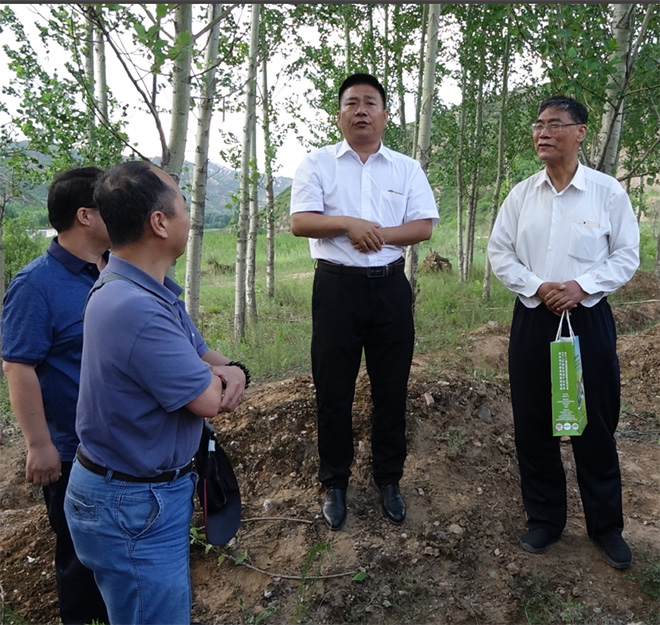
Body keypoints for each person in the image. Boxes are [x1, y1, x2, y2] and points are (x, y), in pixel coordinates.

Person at [63, 160, 248, 625]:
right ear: (159, 222)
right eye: (183, 206)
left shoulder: (148, 288)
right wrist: (227, 378)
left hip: (137, 496)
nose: (190, 216)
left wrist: (232, 370)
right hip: (130, 507)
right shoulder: (135, 307)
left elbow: (205, 356)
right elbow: (210, 399)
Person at [487, 95, 640, 569]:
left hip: (588, 320)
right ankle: (545, 520)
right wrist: (539, 286)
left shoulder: (606, 192)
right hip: (534, 318)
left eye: (555, 124)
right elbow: (500, 253)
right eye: (538, 125)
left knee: (595, 422)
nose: (543, 132)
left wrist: (581, 286)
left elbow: (626, 256)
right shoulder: (521, 195)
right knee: (533, 423)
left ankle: (606, 528)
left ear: (580, 133)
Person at [289, 73, 439, 531]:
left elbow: (424, 227)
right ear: (339, 114)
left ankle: (388, 479)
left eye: (370, 102)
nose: (360, 110)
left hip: (391, 288)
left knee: (390, 388)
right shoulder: (317, 163)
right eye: (351, 102)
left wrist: (376, 233)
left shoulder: (405, 168)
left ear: (385, 115)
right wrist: (349, 223)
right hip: (336, 290)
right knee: (333, 389)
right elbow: (300, 222)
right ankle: (334, 482)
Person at [1, 167, 110, 624]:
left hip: (122, 446)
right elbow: (18, 365)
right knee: (80, 559)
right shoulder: (36, 285)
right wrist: (40, 444)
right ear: (85, 215)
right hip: (71, 452)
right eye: (112, 202)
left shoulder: (119, 267)